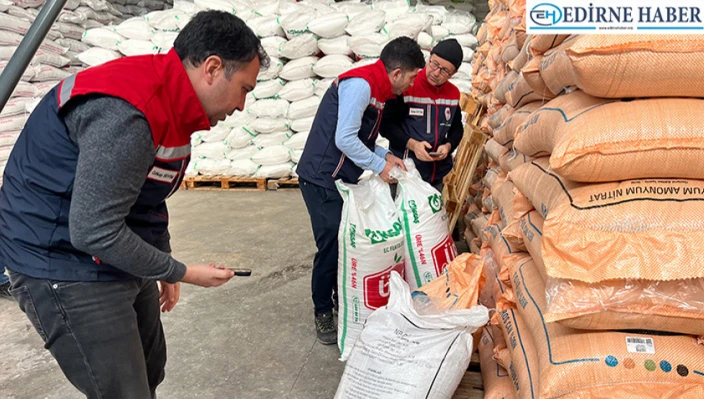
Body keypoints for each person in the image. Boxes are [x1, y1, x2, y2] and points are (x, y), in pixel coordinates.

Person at [0, 11, 266, 398]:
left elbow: (146, 194)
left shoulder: (174, 108)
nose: (241, 105)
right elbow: (94, 229)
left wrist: (163, 259)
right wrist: (182, 271)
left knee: (150, 368)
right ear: (212, 68)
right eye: (244, 88)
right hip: (58, 257)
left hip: (103, 247)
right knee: (124, 390)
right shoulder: (130, 112)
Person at [296, 37, 426, 345]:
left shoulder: (377, 92)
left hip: (339, 178)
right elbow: (344, 139)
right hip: (320, 177)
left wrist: (384, 156)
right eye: (409, 78)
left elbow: (362, 140)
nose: (409, 86)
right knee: (331, 244)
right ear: (396, 73)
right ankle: (323, 310)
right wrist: (378, 166)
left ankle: (340, 296)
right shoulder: (361, 85)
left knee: (344, 242)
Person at [381, 39, 465, 194]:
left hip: (437, 176)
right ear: (429, 56)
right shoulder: (407, 86)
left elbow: (457, 128)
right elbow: (386, 126)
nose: (436, 73)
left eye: (445, 70)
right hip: (405, 173)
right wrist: (413, 145)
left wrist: (448, 146)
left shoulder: (453, 94)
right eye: (434, 64)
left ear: (454, 73)